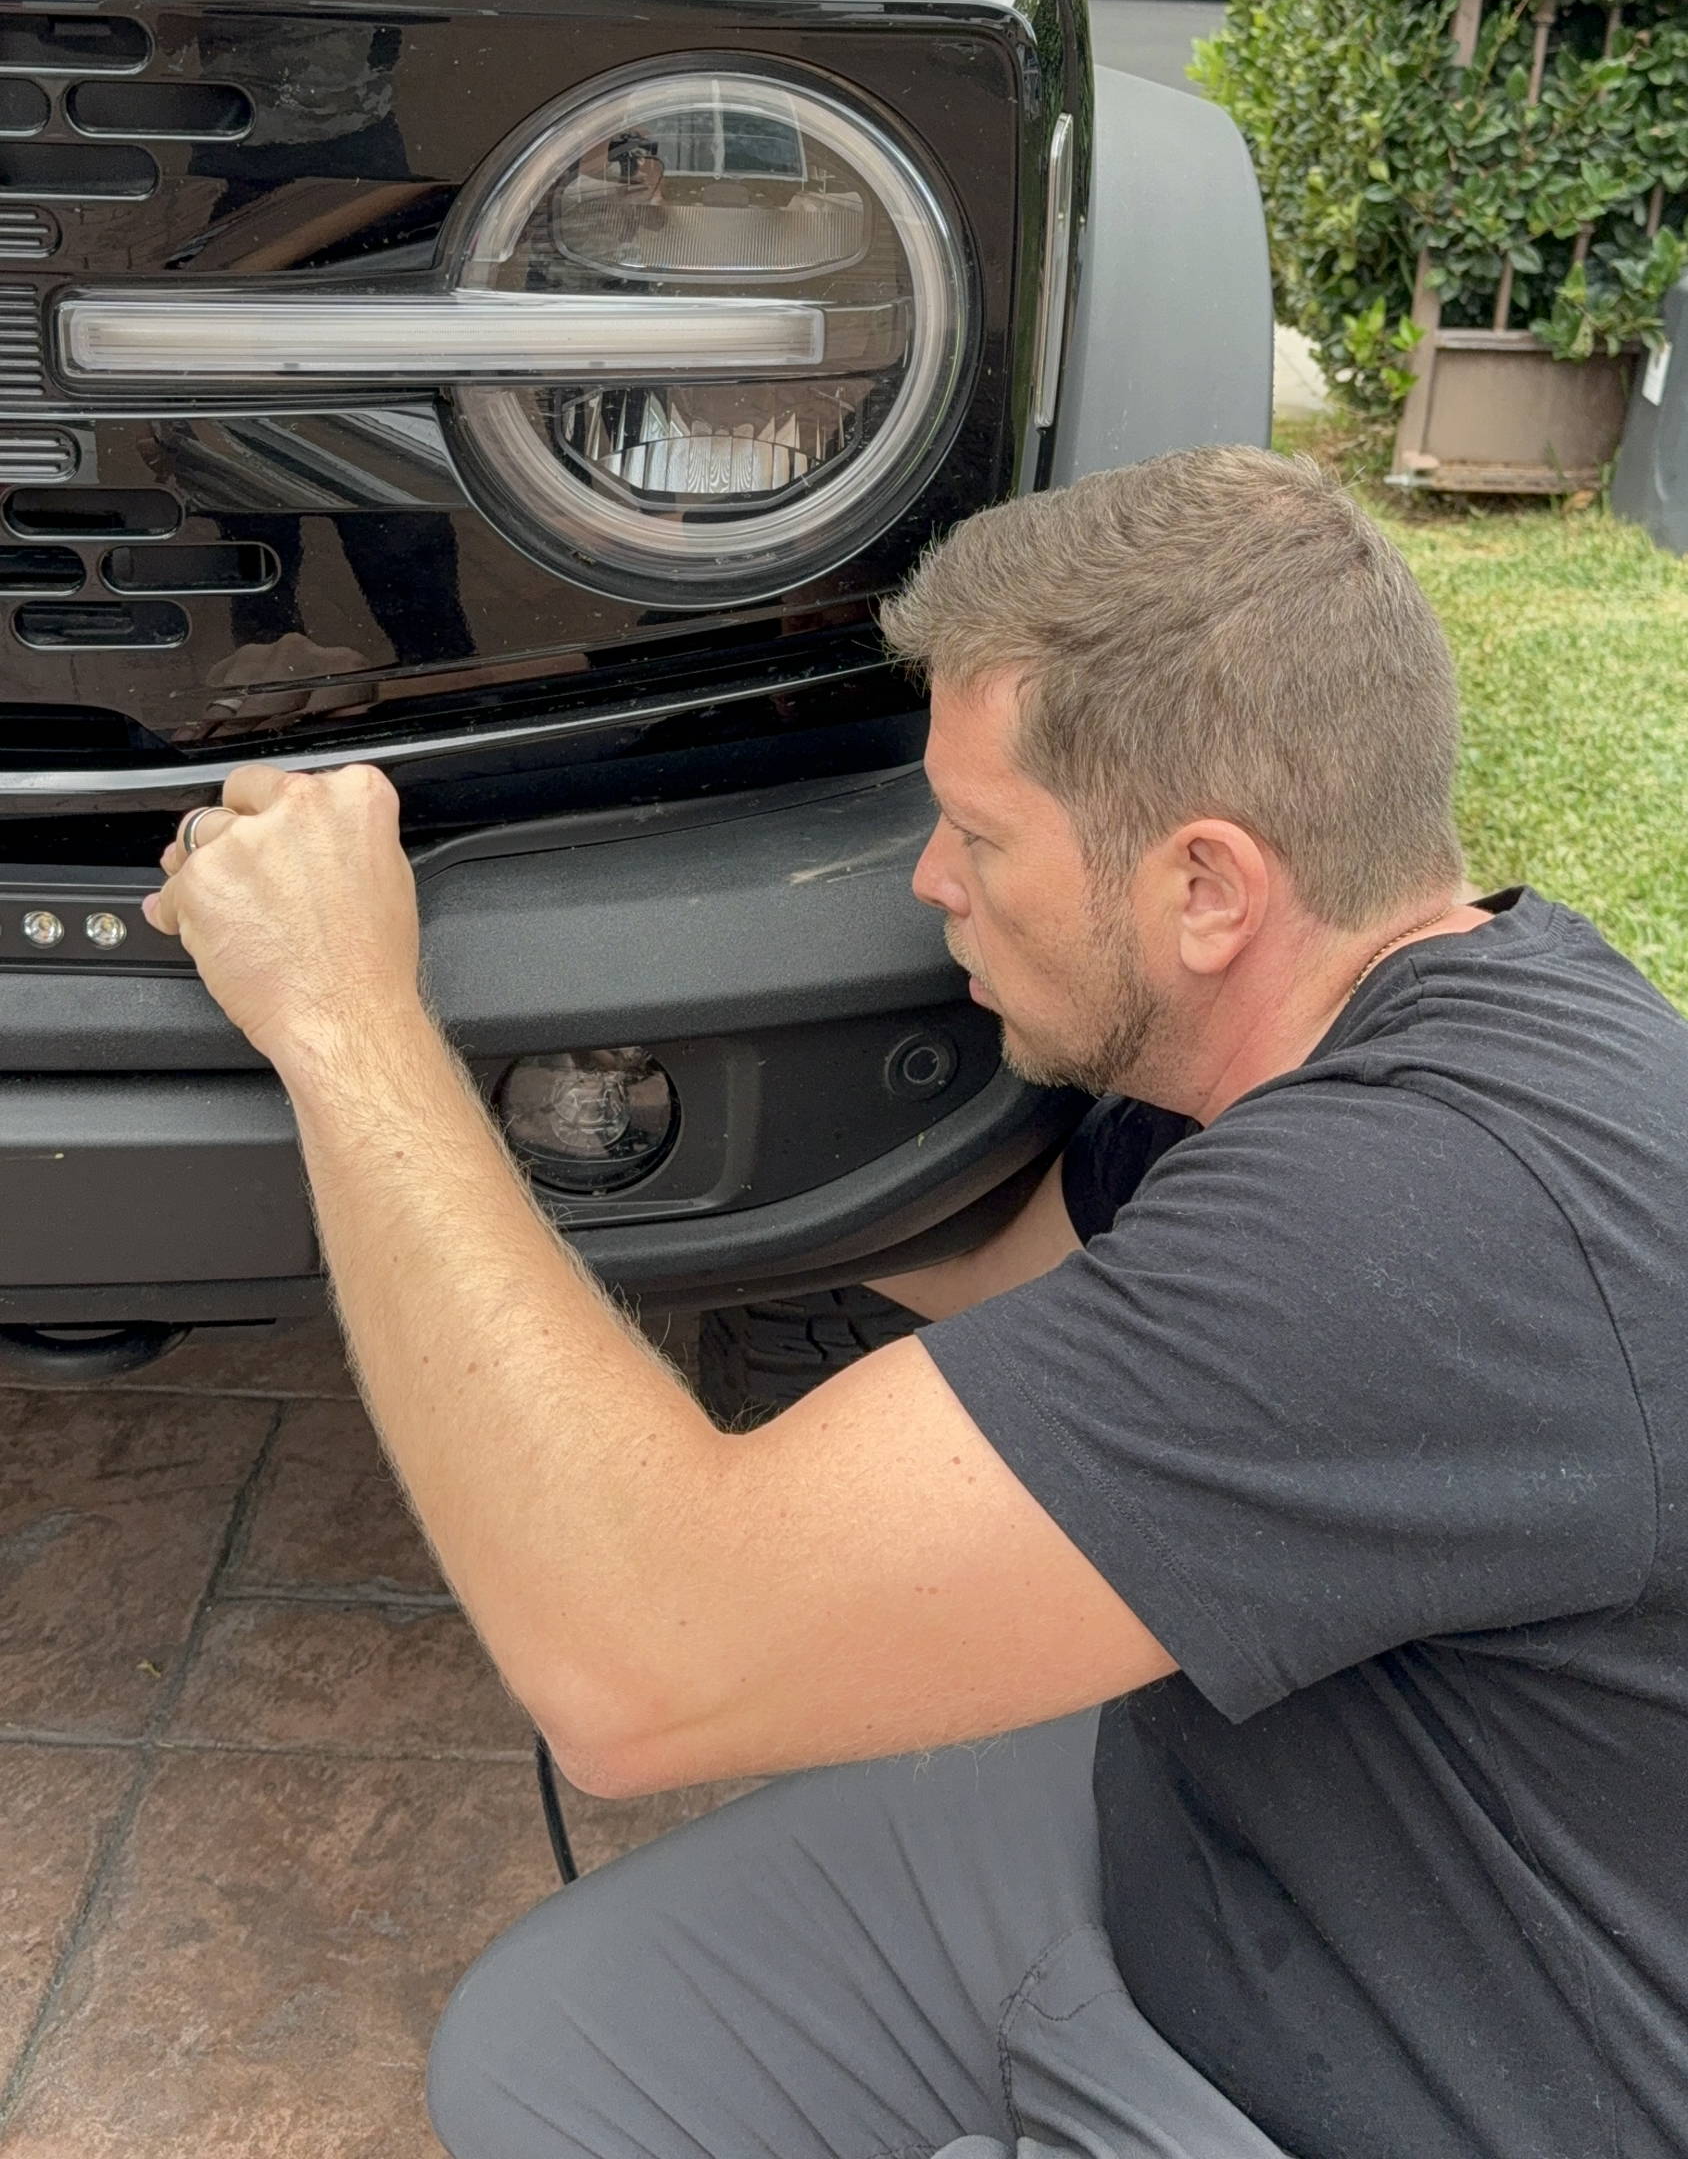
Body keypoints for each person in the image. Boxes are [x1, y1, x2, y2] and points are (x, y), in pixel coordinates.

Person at [144, 447, 1688, 2159]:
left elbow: (642, 1666)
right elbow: (1011, 1261)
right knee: (543, 2050)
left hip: (1408, 2077)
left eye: (978, 834)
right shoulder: (1435, 1018)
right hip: (1236, 1834)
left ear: (1206, 888)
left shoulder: (1402, 1242)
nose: (929, 881)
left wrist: (344, 1019)